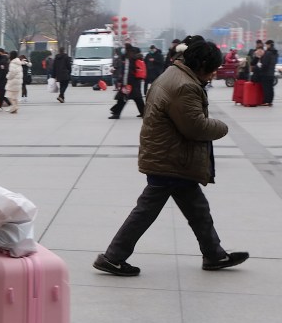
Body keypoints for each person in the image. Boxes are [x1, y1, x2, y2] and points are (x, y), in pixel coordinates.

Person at [93, 36, 248, 277]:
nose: (213, 75)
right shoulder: (185, 85)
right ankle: (113, 257)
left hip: (168, 155)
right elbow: (195, 127)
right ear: (202, 65)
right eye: (213, 69)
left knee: (197, 209)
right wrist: (222, 126)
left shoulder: (173, 73)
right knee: (148, 210)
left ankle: (214, 255)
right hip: (171, 158)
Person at [109, 45, 145, 119]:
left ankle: (116, 113)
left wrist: (124, 83)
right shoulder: (135, 58)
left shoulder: (129, 59)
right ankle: (144, 113)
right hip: (135, 82)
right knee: (137, 98)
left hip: (128, 82)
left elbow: (126, 72)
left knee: (122, 98)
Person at [258, 40, 276, 106]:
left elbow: (265, 64)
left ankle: (266, 101)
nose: (266, 46)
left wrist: (261, 69)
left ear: (269, 45)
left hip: (266, 74)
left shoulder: (268, 53)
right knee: (271, 88)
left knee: (266, 88)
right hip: (272, 73)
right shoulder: (275, 53)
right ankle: (270, 101)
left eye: (266, 45)